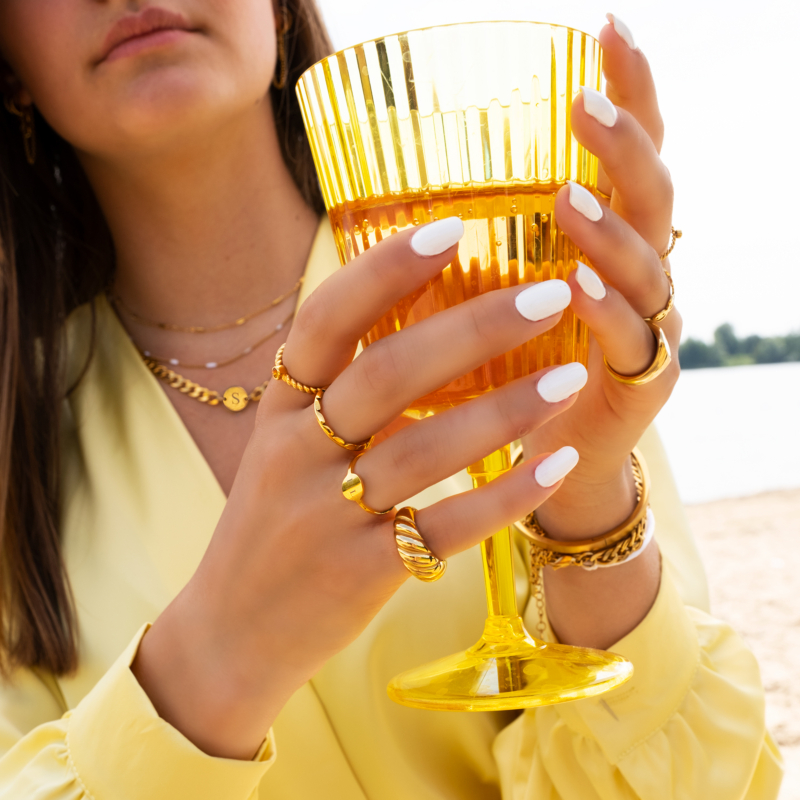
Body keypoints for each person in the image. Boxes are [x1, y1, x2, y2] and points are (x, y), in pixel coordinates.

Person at [0, 2, 783, 797]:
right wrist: (218, 655)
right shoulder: (12, 436)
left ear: (276, 12)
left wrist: (586, 508)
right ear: (7, 67)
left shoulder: (505, 290)